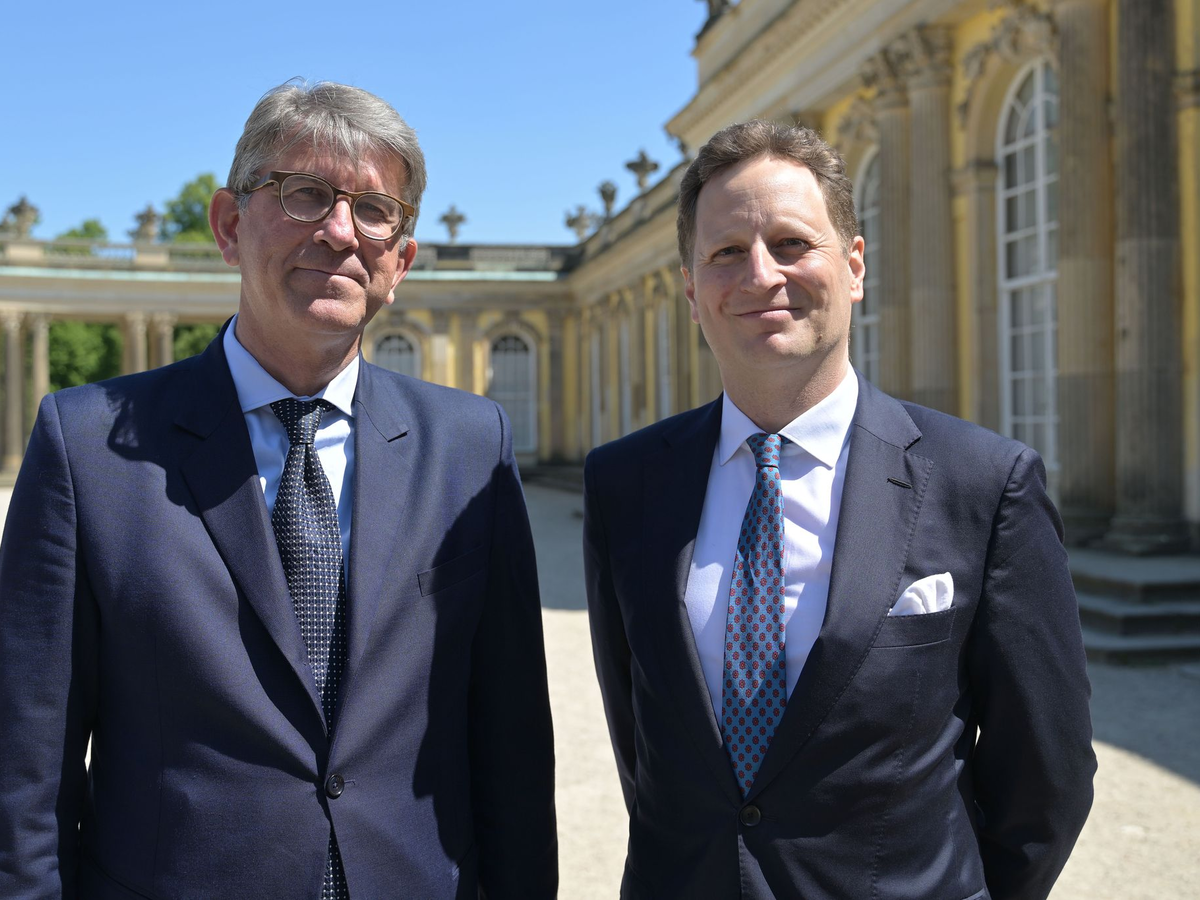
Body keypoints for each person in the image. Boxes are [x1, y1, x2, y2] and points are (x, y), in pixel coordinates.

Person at [0, 80, 557, 899]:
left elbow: (512, 750)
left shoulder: (472, 447)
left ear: (401, 263)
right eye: (305, 194)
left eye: (375, 210)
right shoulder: (86, 449)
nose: (341, 232)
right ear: (229, 225)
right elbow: (25, 769)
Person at [583, 119, 1094, 900]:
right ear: (691, 291)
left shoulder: (983, 484)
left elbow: (1047, 775)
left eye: (792, 243)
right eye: (726, 253)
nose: (761, 274)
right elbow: (642, 746)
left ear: (854, 266)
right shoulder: (625, 483)